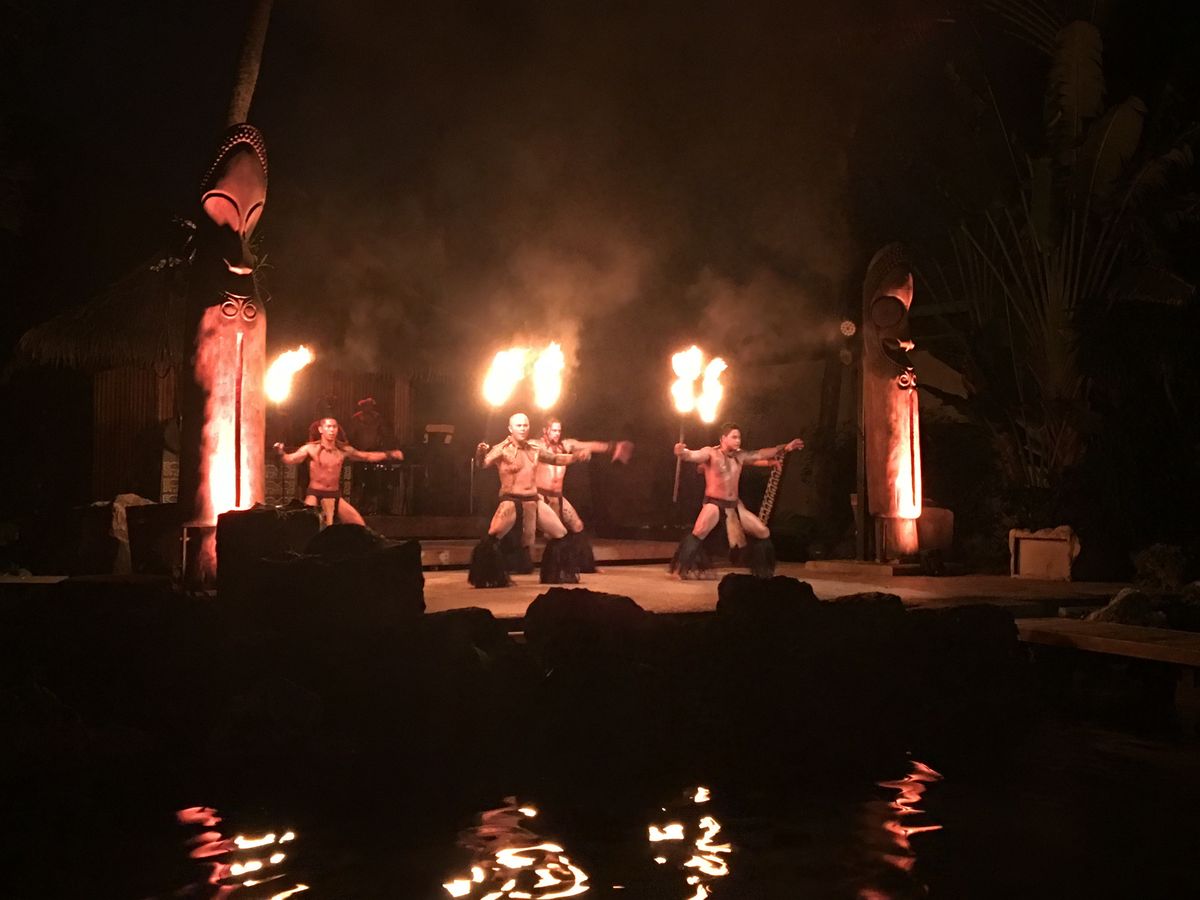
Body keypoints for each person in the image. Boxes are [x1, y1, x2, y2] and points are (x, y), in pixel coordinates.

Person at [671, 423, 804, 579]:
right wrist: (682, 452)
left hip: (734, 506)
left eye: (739, 437)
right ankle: (680, 569)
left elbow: (760, 454)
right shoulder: (710, 453)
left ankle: (762, 572)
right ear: (723, 438)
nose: (738, 440)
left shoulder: (740, 455)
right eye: (734, 437)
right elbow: (693, 455)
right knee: (699, 532)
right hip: (714, 504)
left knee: (762, 531)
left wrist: (785, 447)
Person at [469, 412, 584, 587]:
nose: (523, 429)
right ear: (510, 428)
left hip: (534, 500)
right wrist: (480, 452)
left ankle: (554, 575)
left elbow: (555, 459)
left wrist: (575, 457)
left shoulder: (534, 449)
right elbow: (482, 464)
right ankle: (488, 577)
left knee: (560, 533)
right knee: (493, 536)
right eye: (519, 426)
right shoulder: (501, 449)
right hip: (511, 500)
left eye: (525, 425)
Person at [532, 418, 634, 572]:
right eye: (553, 430)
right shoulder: (537, 446)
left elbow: (589, 445)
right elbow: (555, 459)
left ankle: (586, 566)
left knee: (577, 526)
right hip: (540, 496)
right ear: (545, 431)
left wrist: (613, 447)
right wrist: (576, 456)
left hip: (558, 496)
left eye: (559, 430)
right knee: (554, 533)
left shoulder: (565, 445)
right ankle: (552, 568)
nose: (557, 433)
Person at [274, 416, 404, 527]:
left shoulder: (343, 450)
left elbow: (366, 456)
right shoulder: (310, 448)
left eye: (334, 427)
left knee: (359, 526)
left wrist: (389, 454)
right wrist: (281, 453)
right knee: (305, 527)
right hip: (315, 494)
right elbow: (290, 459)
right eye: (328, 427)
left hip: (335, 495)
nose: (332, 430)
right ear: (320, 429)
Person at [347, 397, 396, 515]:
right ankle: (359, 506)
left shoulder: (378, 418)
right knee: (359, 481)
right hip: (360, 454)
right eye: (366, 405)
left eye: (370, 405)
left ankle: (373, 506)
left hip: (374, 454)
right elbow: (351, 435)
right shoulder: (356, 419)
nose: (368, 408)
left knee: (373, 481)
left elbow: (384, 434)